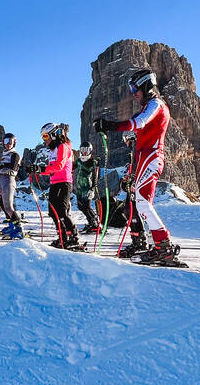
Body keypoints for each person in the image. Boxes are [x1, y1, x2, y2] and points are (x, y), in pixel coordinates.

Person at [94, 68, 176, 264]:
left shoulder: (156, 104)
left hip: (153, 155)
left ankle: (163, 245)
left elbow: (139, 123)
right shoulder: (149, 104)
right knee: (139, 202)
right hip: (145, 157)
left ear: (146, 85)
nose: (133, 93)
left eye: (134, 88)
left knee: (143, 203)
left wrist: (111, 125)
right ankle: (160, 245)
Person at [31, 122, 80, 249]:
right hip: (54, 183)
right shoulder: (52, 149)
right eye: (43, 137)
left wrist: (40, 169)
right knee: (53, 212)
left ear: (54, 134)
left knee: (62, 212)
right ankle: (62, 237)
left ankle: (73, 237)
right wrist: (37, 170)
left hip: (64, 182)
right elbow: (52, 168)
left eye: (46, 136)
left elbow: (59, 166)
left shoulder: (63, 146)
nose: (44, 140)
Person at [116, 130, 149, 257]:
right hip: (134, 182)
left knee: (132, 211)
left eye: (126, 140)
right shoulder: (133, 150)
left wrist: (135, 180)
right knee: (128, 211)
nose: (126, 143)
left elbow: (139, 165)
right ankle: (136, 240)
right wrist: (129, 178)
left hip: (137, 183)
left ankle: (140, 242)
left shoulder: (137, 147)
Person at [0, 132, 25, 239]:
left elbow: (13, 166)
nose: (8, 144)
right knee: (2, 205)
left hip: (8, 180)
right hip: (1, 180)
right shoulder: (4, 155)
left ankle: (19, 228)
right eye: (6, 141)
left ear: (14, 143)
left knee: (8, 206)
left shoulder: (15, 155)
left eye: (10, 142)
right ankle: (11, 225)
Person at [73, 141, 100, 233]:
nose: (85, 152)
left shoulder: (93, 162)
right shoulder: (80, 161)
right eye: (83, 150)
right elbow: (72, 167)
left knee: (86, 207)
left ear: (90, 151)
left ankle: (94, 224)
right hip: (79, 188)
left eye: (87, 150)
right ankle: (91, 222)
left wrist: (92, 189)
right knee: (81, 207)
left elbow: (95, 177)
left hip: (87, 188)